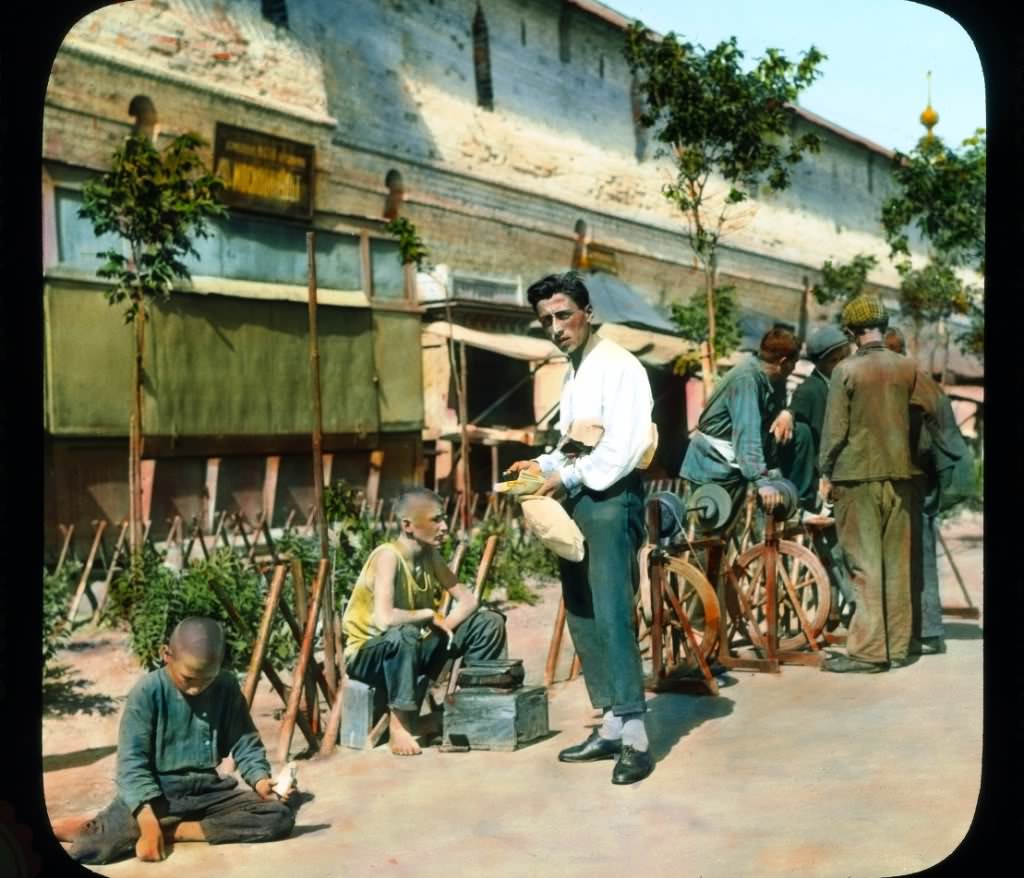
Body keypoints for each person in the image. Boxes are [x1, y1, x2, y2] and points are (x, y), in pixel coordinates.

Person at [506, 270, 654, 785]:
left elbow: (623, 447)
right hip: (576, 497)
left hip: (611, 499)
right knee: (582, 609)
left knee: (612, 609)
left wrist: (566, 477)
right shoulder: (575, 372)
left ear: (588, 313)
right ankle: (611, 722)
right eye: (546, 319)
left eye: (563, 314)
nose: (555, 326)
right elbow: (574, 442)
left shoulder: (619, 366)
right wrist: (542, 468)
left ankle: (636, 735)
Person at [52, 617, 295, 864]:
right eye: (188, 679)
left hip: (207, 790)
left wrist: (261, 781)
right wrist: (147, 825)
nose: (196, 689)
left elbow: (245, 741)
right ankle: (98, 825)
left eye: (206, 680)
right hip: (156, 792)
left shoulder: (226, 686)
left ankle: (172, 831)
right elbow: (131, 766)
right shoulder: (147, 692)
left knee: (278, 817)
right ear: (166, 655)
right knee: (93, 848)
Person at [819, 295, 937, 673]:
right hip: (902, 479)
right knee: (897, 565)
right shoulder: (909, 368)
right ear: (884, 328)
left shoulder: (846, 372)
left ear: (852, 333)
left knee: (864, 565)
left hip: (856, 478)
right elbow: (929, 420)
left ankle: (869, 652)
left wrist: (825, 471)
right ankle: (898, 647)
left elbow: (835, 431)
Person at [341, 487, 508, 756]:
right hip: (368, 656)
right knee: (404, 631)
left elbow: (469, 601)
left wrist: (444, 627)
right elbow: (385, 620)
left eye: (444, 519)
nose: (444, 527)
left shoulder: (430, 556)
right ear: (408, 525)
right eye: (436, 520)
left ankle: (472, 707)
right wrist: (429, 616)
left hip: (409, 647)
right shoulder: (388, 557)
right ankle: (400, 725)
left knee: (487, 622)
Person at [884, 327, 969, 656]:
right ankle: (927, 629)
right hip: (932, 478)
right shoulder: (926, 382)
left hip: (914, 479)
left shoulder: (903, 386)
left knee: (909, 554)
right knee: (921, 553)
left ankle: (921, 631)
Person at [679, 327, 807, 520]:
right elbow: (747, 435)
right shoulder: (746, 380)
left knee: (726, 535)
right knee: (711, 534)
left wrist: (771, 469)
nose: (794, 369)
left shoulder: (773, 380)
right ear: (783, 362)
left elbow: (767, 428)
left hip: (733, 465)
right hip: (711, 465)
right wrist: (761, 481)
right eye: (794, 363)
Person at [788, 325, 856, 610]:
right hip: (818, 484)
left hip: (837, 478)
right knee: (833, 549)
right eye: (843, 355)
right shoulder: (809, 391)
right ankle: (846, 603)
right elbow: (807, 442)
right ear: (831, 360)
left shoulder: (836, 386)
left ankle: (845, 603)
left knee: (842, 549)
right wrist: (822, 478)